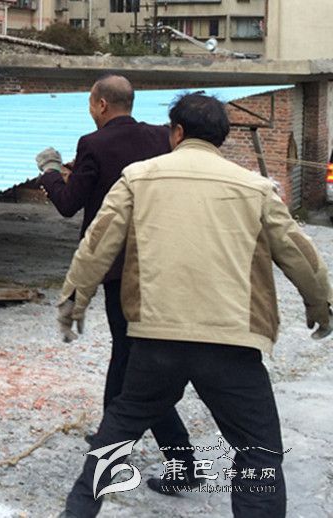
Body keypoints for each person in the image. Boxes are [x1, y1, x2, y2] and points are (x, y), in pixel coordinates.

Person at [56, 92, 332, 517]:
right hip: (232, 343)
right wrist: (320, 306)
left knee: (114, 438)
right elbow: (300, 254)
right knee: (258, 453)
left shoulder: (137, 178)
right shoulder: (255, 187)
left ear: (177, 132)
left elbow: (98, 243)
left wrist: (74, 302)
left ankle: (77, 512)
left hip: (156, 340)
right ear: (221, 138)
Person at [35, 74, 196, 493]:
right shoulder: (161, 136)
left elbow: (69, 203)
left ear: (101, 105)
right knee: (126, 355)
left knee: (137, 363)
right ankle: (112, 435)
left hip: (118, 269)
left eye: (91, 103)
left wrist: (50, 171)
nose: (90, 110)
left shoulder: (93, 143)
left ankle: (181, 462)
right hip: (162, 262)